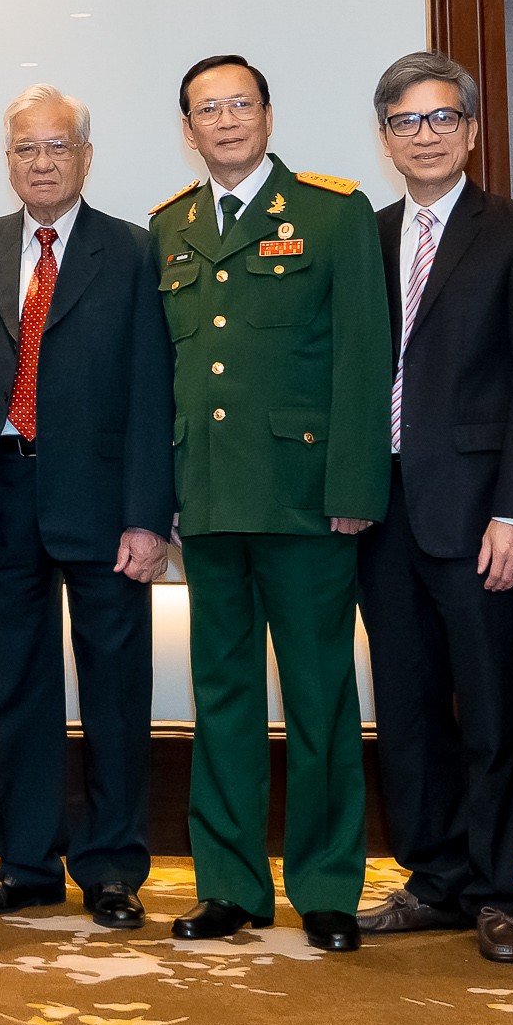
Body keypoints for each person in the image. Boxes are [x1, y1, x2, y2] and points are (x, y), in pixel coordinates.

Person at [148, 54, 393, 950]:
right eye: (207, 109)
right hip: (210, 496)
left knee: (321, 696)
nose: (226, 120)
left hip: (306, 500)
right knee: (222, 696)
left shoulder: (332, 213)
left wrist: (355, 487)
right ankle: (231, 884)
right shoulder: (170, 226)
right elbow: (169, 373)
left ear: (268, 113)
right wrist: (165, 494)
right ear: (188, 130)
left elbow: (364, 358)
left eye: (240, 104)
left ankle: (326, 886)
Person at [0, 90, 172, 931]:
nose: (42, 162)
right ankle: (26, 862)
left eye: (58, 146)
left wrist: (148, 513)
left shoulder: (136, 250)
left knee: (116, 689)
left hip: (106, 505)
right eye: (26, 148)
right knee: (16, 688)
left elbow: (153, 389)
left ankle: (112, 866)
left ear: (86, 156)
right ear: (8, 159)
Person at [354, 52, 513, 968]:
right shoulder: (365, 234)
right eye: (406, 121)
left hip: (481, 517)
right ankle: (434, 878)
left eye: (442, 118)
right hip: (382, 514)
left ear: (471, 131)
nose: (425, 135)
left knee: (488, 707)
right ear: (385, 137)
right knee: (405, 709)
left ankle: (498, 890)